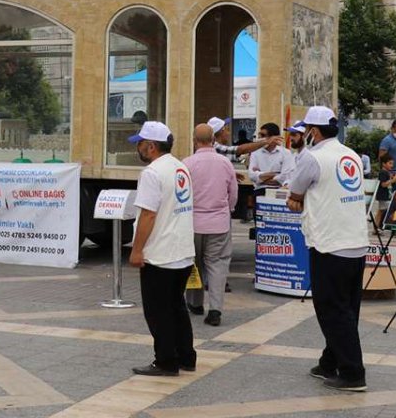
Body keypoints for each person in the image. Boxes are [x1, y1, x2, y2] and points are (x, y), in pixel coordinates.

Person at [286, 106, 370, 392]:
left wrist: (298, 198)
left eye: (307, 128)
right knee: (347, 308)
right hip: (355, 241)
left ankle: (352, 372)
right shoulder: (351, 155)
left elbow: (295, 193)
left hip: (329, 244)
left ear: (314, 131)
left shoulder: (312, 157)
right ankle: (329, 361)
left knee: (332, 309)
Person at [126, 121, 196, 377]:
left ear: (151, 146)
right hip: (182, 251)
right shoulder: (181, 167)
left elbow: (148, 216)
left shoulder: (152, 174)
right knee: (177, 306)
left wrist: (136, 250)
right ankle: (186, 356)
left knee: (157, 311)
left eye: (140, 144)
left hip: (161, 253)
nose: (139, 149)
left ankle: (166, 360)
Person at [183, 123, 237, 327]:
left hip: (192, 224)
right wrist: (227, 211)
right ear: (213, 139)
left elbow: (182, 195)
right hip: (219, 224)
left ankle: (195, 303)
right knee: (217, 265)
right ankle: (215, 310)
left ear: (194, 140)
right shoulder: (225, 163)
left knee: (193, 264)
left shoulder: (187, 164)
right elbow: (233, 193)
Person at [248, 122, 295, 187]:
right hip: (259, 190)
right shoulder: (255, 152)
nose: (260, 138)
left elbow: (285, 177)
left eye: (263, 135)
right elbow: (252, 176)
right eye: (260, 135)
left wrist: (260, 176)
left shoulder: (286, 153)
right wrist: (276, 173)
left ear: (274, 137)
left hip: (278, 191)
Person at [378, 119, 396, 192]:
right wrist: (388, 174)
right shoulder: (387, 140)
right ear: (392, 129)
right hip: (394, 175)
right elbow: (381, 158)